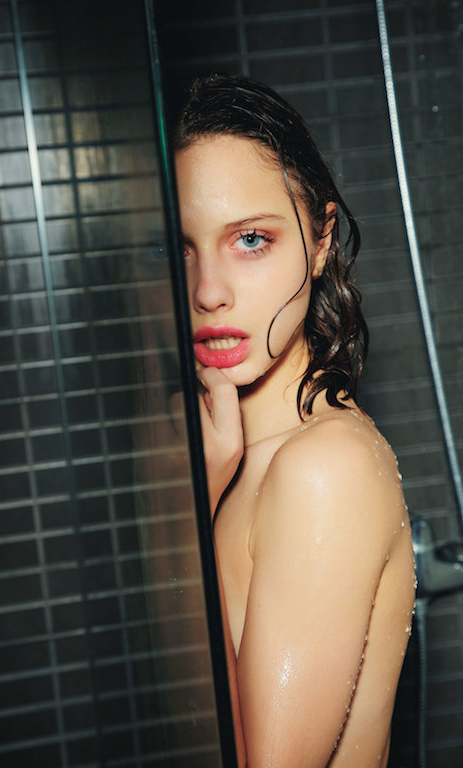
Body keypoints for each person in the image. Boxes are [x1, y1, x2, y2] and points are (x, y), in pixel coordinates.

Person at [172, 74, 416, 768]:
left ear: (320, 240)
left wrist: (193, 511)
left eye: (251, 238)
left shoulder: (325, 470)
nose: (208, 291)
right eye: (178, 248)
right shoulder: (220, 449)